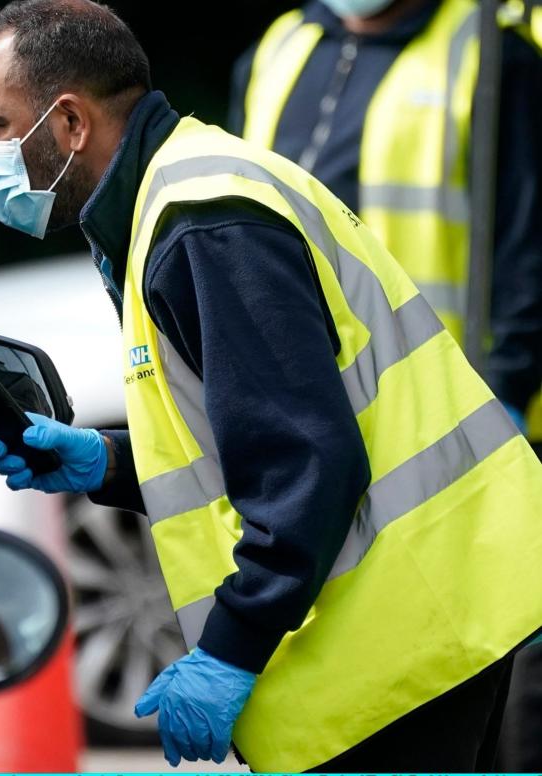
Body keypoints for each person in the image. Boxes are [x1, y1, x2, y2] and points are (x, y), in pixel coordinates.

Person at [0, 0, 542, 771]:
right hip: (415, 615)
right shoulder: (175, 198)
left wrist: (228, 652)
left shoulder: (200, 222)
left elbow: (305, 462)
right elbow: (257, 430)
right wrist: (110, 462)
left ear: (69, 124)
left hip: (407, 637)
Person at [229, 1, 542, 768]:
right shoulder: (279, 45)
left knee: (499, 674)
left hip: (457, 428)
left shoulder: (492, 54)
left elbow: (529, 246)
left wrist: (503, 389)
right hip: (324, 422)